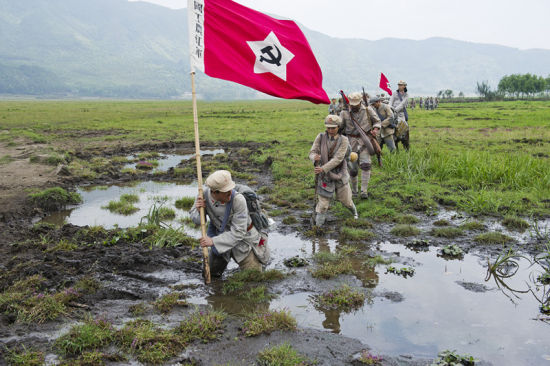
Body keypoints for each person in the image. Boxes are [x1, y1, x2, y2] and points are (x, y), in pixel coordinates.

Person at [190, 170, 269, 277]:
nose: (229, 192)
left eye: (230, 189)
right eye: (225, 191)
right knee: (210, 275)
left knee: (253, 279)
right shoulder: (203, 195)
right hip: (221, 239)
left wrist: (212, 241)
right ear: (214, 192)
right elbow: (197, 221)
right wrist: (200, 211)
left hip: (244, 241)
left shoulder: (238, 200)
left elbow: (238, 232)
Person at [309, 115, 358, 226]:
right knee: (323, 205)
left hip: (340, 173)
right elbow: (312, 152)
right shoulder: (320, 137)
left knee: (346, 201)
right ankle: (318, 228)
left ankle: (355, 213)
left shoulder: (344, 140)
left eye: (333, 128)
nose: (330, 130)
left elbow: (338, 158)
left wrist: (323, 168)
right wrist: (314, 157)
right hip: (324, 176)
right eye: (328, 128)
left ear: (338, 127)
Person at [340, 92, 381, 198]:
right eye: (352, 104)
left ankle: (364, 191)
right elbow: (340, 128)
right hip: (350, 143)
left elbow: (377, 121)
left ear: (360, 102)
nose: (354, 106)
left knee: (366, 165)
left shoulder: (368, 110)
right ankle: (354, 191)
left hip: (365, 141)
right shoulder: (344, 113)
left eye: (356, 104)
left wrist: (375, 129)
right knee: (353, 170)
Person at [389, 80, 410, 151]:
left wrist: (395, 110)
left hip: (401, 113)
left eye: (401, 85)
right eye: (399, 85)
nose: (400, 86)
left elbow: (402, 105)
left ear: (404, 86)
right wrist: (390, 108)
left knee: (403, 124)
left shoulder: (406, 95)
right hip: (392, 111)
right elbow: (391, 101)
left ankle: (402, 136)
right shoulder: (394, 93)